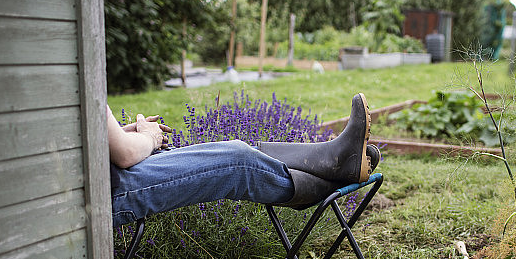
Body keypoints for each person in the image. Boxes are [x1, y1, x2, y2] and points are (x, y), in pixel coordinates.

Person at [108, 93, 379, 227]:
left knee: (238, 150)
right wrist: (148, 138)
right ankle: (331, 177)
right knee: (238, 163)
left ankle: (336, 161)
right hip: (112, 193)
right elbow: (125, 154)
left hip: (107, 181)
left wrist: (119, 134)